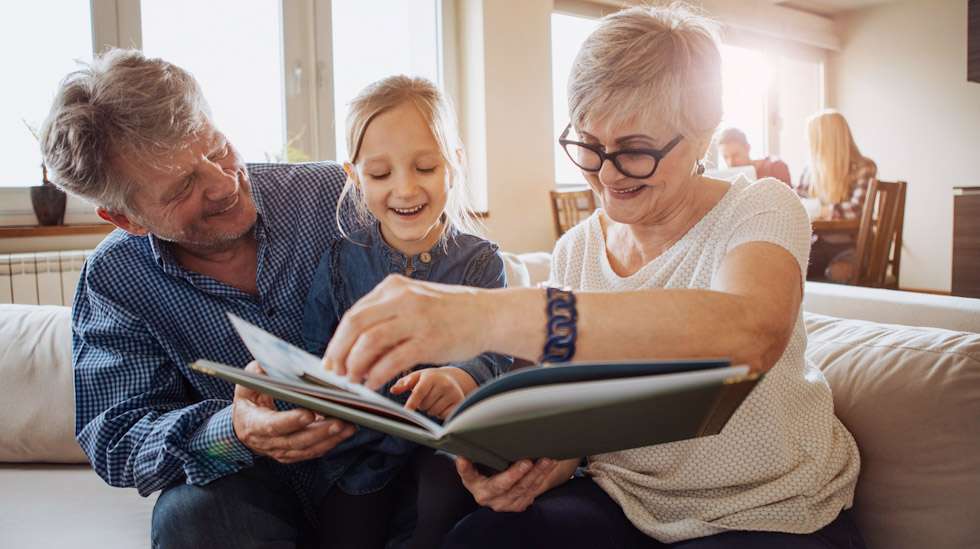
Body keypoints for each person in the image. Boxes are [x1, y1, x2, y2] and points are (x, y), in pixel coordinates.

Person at [316, 5, 865, 549]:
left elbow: (749, 334)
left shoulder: (760, 208)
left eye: (634, 151)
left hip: (770, 513)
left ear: (703, 135)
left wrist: (482, 315)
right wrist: (543, 464)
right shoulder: (577, 249)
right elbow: (582, 419)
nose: (605, 174)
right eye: (588, 145)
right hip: (624, 502)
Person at [39, 48, 414, 548]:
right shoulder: (115, 279)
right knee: (189, 516)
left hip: (391, 471)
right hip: (253, 491)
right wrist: (232, 429)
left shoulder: (337, 195)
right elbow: (116, 437)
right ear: (126, 218)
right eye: (182, 187)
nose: (224, 185)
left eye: (216, 150)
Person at [302, 75, 512, 548]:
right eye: (380, 174)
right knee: (346, 525)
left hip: (446, 444)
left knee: (438, 512)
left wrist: (462, 377)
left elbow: (500, 349)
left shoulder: (479, 261)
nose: (405, 188)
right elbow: (315, 351)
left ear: (453, 166)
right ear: (354, 177)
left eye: (424, 166)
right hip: (361, 451)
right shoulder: (339, 261)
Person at [795, 110, 877, 282]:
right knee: (791, 272)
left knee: (836, 274)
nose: (809, 145)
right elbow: (796, 204)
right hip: (817, 244)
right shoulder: (809, 171)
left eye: (813, 140)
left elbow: (854, 210)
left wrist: (817, 209)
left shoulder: (864, 167)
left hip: (851, 247)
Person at [717, 127, 792, 185]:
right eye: (726, 157)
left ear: (747, 148)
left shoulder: (776, 167)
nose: (731, 163)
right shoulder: (727, 178)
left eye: (736, 155)